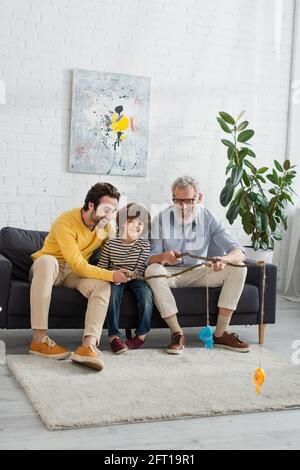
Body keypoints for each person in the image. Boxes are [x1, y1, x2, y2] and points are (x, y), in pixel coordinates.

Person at [29, 182, 130, 371]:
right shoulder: (65, 222)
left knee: (102, 285)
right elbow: (78, 264)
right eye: (105, 210)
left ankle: (88, 346)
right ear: (91, 205)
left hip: (74, 275)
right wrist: (111, 274)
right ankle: (38, 339)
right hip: (52, 269)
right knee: (47, 261)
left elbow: (114, 253)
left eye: (113, 211)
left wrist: (125, 267)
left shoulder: (106, 226)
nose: (109, 216)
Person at [146, 176, 250, 355]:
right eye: (178, 201)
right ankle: (177, 333)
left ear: (199, 198)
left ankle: (221, 332)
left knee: (240, 267)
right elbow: (148, 258)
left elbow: (239, 251)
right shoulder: (160, 219)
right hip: (170, 274)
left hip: (199, 272)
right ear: (173, 198)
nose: (183, 206)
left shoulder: (209, 219)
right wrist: (163, 256)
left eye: (188, 200)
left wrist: (225, 260)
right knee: (152, 270)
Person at [98, 203, 153, 354]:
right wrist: (115, 275)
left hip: (135, 277)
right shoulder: (110, 243)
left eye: (140, 223)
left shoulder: (144, 245)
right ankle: (114, 337)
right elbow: (102, 267)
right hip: (115, 277)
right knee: (113, 295)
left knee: (146, 294)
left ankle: (141, 335)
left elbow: (141, 268)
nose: (136, 226)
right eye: (131, 221)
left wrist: (130, 276)